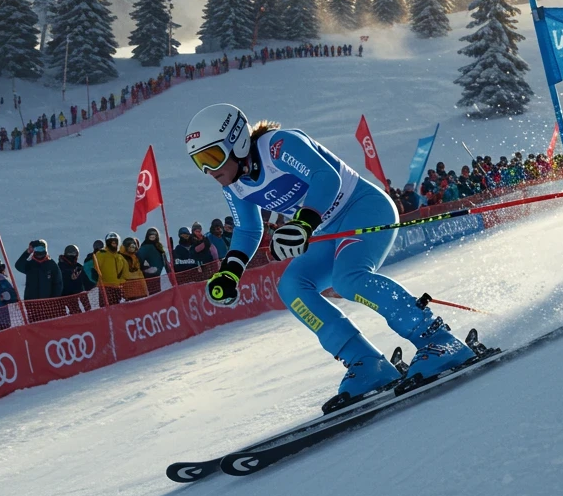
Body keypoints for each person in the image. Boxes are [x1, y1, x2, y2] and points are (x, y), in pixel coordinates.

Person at [185, 103, 475, 410]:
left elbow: (326, 176)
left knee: (348, 279)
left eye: (212, 157)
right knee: (292, 287)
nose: (209, 171)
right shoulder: (235, 185)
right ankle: (365, 362)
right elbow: (247, 230)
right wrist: (231, 271)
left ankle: (437, 339)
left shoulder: (278, 146)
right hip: (325, 227)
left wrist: (303, 223)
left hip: (363, 207)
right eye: (199, 162)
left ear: (237, 141)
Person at [94, 232, 130, 302]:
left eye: (115, 242)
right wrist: (99, 281)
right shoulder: (101, 254)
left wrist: (121, 281)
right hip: (105, 287)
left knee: (116, 307)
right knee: (106, 308)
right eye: (111, 242)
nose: (114, 244)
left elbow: (125, 272)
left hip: (117, 287)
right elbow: (96, 268)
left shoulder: (120, 257)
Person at [58, 245, 94, 310]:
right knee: (75, 312)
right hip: (66, 295)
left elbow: (86, 280)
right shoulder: (61, 267)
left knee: (83, 310)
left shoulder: (77, 267)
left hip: (78, 293)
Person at [138, 227, 170, 294]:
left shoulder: (159, 246)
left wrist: (168, 269)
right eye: (150, 235)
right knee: (153, 292)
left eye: (154, 235)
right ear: (147, 236)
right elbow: (139, 258)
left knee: (159, 291)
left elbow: (164, 259)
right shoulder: (145, 246)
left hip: (160, 273)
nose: (152, 236)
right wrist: (145, 267)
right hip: (149, 275)